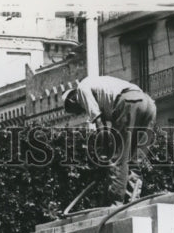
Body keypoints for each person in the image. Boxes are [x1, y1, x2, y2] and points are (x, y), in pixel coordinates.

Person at [63, 76, 158, 205]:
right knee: (134, 160)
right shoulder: (102, 93)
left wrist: (107, 156)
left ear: (72, 100)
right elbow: (108, 133)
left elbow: (100, 125)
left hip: (129, 102)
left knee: (118, 159)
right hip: (149, 104)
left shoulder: (81, 89)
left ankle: (116, 203)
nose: (79, 113)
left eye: (74, 110)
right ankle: (132, 201)